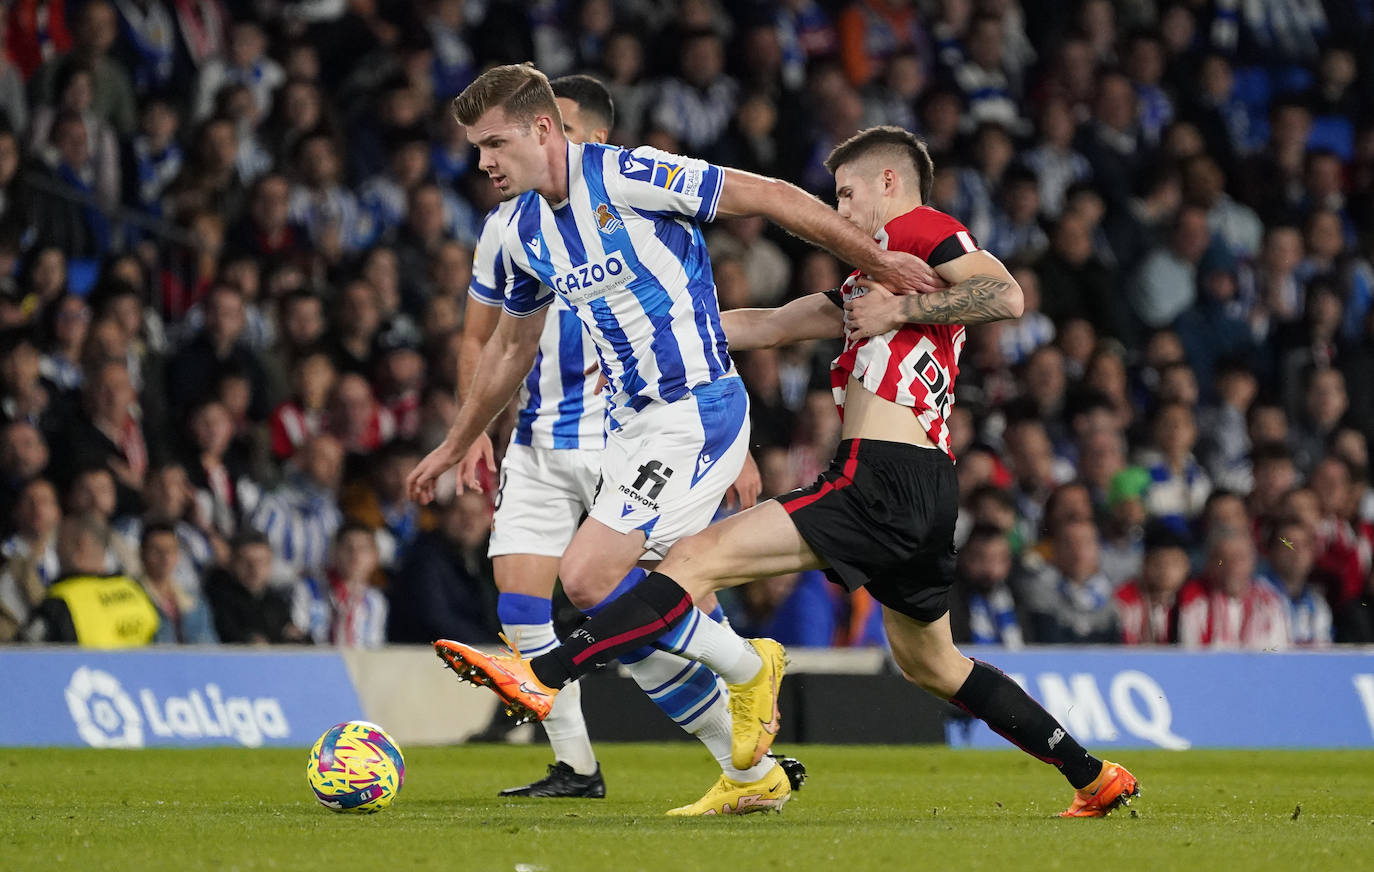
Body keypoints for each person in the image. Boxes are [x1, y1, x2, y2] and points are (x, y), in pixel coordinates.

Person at [432, 124, 1138, 818]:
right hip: (924, 487)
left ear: (889, 183)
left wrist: (907, 305)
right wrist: (638, 335)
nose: (839, 214)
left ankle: (542, 675)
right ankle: (1092, 774)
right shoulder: (867, 287)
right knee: (933, 665)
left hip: (878, 476)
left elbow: (1006, 294)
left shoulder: (919, 230)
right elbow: (763, 325)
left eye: (847, 194)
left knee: (693, 559)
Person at [408, 65, 939, 814]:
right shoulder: (524, 230)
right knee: (644, 603)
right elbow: (506, 351)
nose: (484, 161)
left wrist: (875, 259)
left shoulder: (626, 174)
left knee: (592, 580)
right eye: (475, 147)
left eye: (494, 142)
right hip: (633, 426)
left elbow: (773, 197)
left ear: (541, 130)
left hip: (696, 408)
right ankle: (751, 772)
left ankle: (749, 669)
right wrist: (456, 438)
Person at [444, 73, 770, 801]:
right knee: (522, 605)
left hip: (620, 437)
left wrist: (734, 448)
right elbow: (483, 341)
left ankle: (743, 756)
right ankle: (577, 767)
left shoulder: (631, 201)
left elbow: (697, 336)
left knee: (628, 603)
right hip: (535, 438)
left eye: (555, 126)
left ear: (579, 134)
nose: (534, 145)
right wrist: (472, 431)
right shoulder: (510, 228)